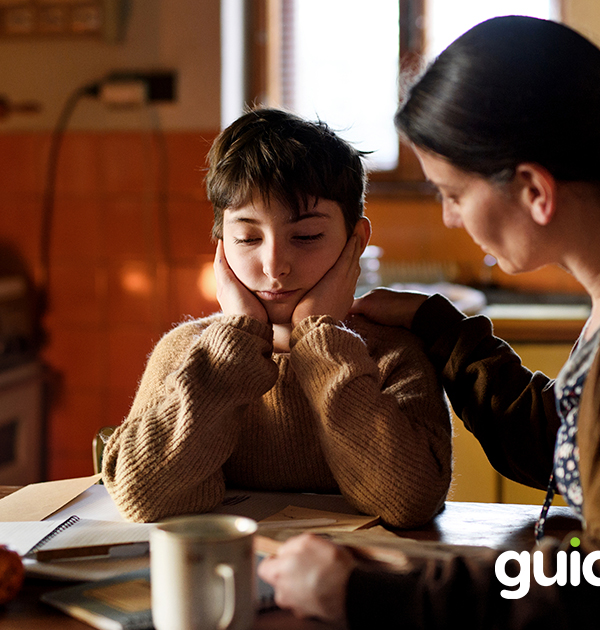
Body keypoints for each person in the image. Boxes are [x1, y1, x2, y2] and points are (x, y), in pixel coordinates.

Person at [258, 16, 600, 628]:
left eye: (453, 194)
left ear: (535, 189)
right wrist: (442, 329)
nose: (452, 219)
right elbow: (567, 446)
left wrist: (367, 593)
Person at [101, 108, 453, 529]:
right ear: (220, 245)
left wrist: (319, 341)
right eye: (248, 237)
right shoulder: (187, 354)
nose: (274, 266)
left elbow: (408, 503)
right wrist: (237, 342)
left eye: (305, 237)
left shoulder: (392, 355)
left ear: (355, 242)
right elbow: (142, 496)